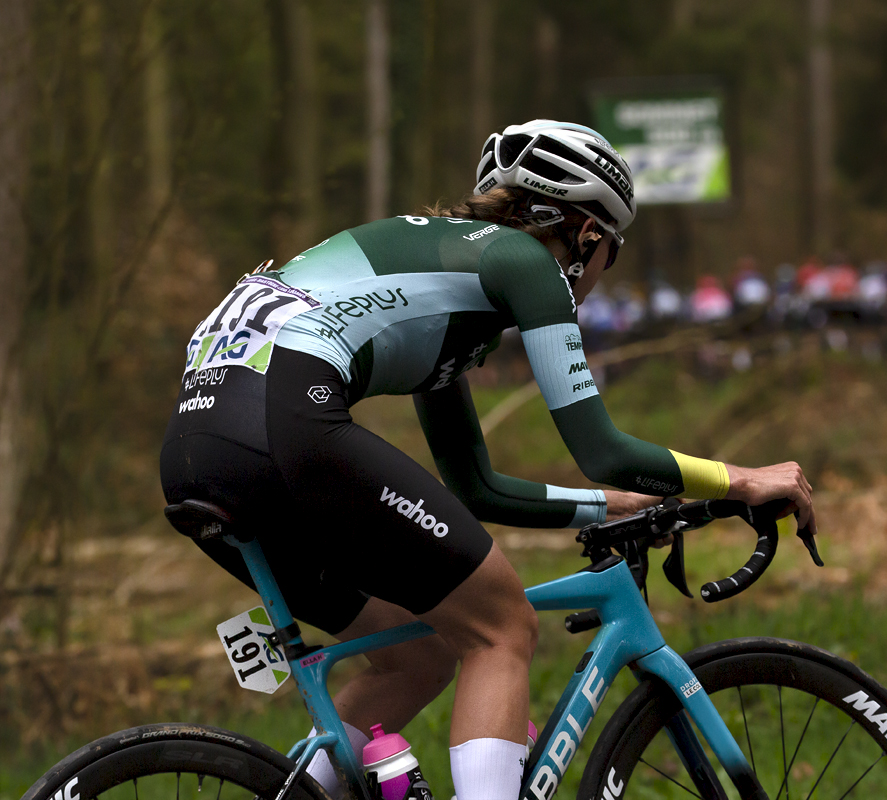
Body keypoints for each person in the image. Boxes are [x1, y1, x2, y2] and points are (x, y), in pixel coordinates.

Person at [159, 120, 814, 800]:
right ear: (586, 234)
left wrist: (610, 507)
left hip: (196, 450)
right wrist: (738, 480)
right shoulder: (524, 261)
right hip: (285, 423)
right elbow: (604, 450)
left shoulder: (446, 288)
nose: (598, 275)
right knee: (500, 626)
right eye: (609, 255)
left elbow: (476, 489)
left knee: (416, 655)